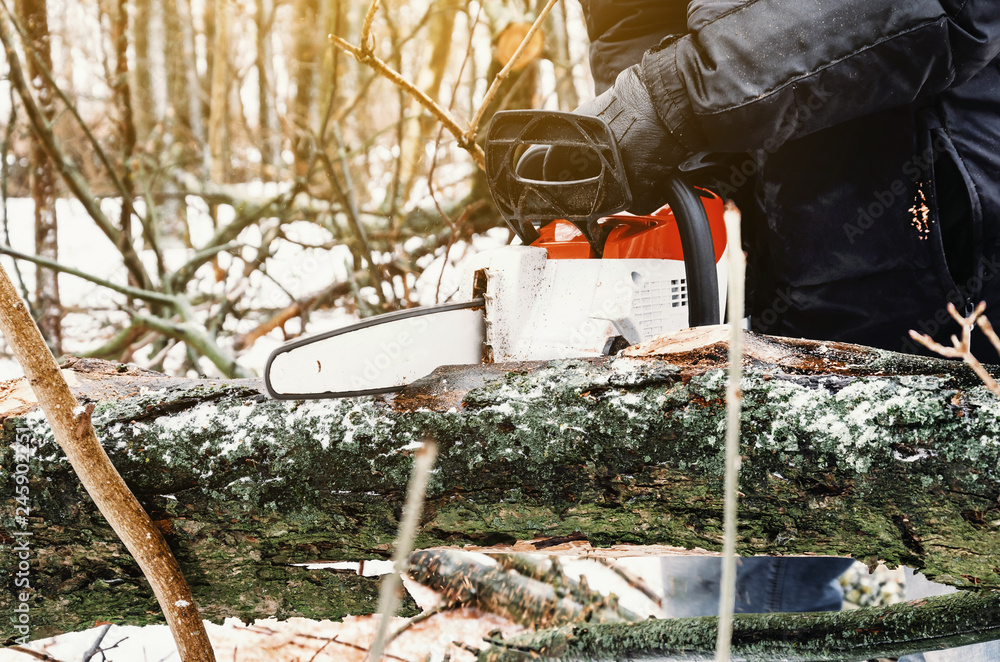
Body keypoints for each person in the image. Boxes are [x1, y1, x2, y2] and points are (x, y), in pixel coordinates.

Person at [528, 1, 1000, 659]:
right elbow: (633, 24)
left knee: (964, 613)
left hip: (965, 285)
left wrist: (676, 95)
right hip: (784, 299)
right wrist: (646, 149)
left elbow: (946, 13)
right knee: (724, 597)